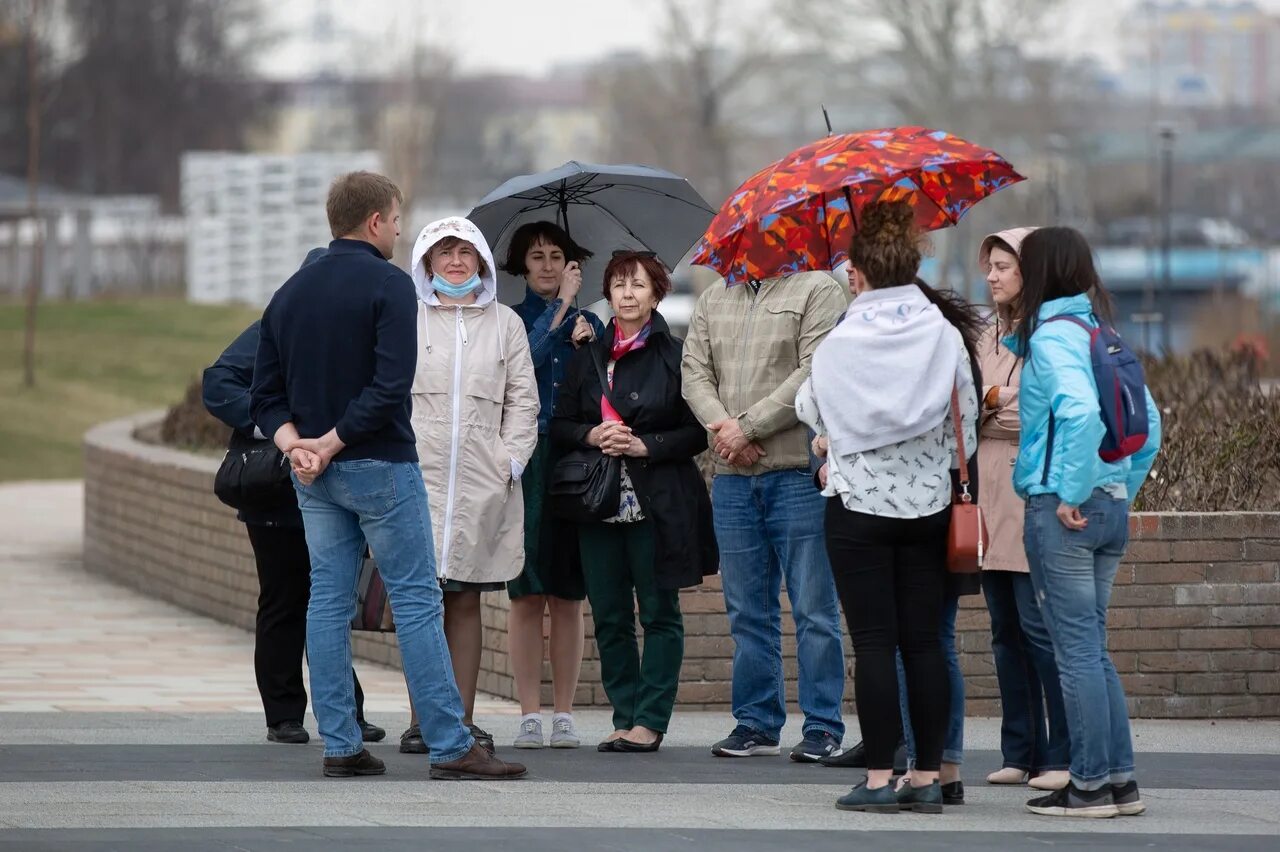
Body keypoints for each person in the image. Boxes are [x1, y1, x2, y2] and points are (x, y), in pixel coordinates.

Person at [249, 170, 525, 780]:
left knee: (325, 603)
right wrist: (332, 441)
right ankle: (453, 746)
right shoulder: (390, 285)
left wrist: (300, 446)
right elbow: (390, 386)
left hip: (313, 476)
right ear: (375, 222)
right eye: (397, 221)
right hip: (379, 467)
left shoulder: (290, 292)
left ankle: (341, 745)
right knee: (420, 603)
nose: (399, 231)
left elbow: (264, 393)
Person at [796, 200, 980, 814]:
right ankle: (927, 777)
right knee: (924, 643)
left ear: (859, 271)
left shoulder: (839, 343)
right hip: (929, 507)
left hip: (858, 509)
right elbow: (967, 431)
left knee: (874, 644)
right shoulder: (944, 334)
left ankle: (878, 778)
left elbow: (814, 412)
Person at [202, 251, 385, 748]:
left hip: (338, 485)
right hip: (276, 493)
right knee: (284, 599)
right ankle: (283, 713)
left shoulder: (365, 330)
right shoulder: (275, 324)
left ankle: (346, 711)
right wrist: (279, 428)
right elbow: (218, 382)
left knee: (333, 599)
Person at [1011, 227, 1161, 818]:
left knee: (1074, 652)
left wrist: (1072, 492)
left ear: (1041, 271)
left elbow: (1078, 416)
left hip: (1062, 510)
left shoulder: (1051, 338)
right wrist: (1119, 488)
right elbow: (1148, 423)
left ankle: (1090, 785)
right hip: (1111, 508)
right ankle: (1120, 782)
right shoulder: (1103, 331)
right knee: (1093, 649)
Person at [552, 250, 717, 752]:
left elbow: (698, 431)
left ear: (656, 294)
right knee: (608, 613)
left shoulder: (676, 353)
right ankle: (623, 715)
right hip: (596, 501)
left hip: (657, 501)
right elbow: (558, 425)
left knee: (659, 612)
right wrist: (592, 434)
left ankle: (650, 720)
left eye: (638, 286)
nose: (627, 294)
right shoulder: (589, 353)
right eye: (619, 285)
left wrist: (647, 444)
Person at [682, 263, 847, 763]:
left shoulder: (818, 289)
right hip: (732, 478)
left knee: (814, 609)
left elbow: (814, 370)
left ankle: (822, 725)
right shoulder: (715, 297)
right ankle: (755, 720)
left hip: (796, 471)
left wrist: (748, 428)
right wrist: (724, 429)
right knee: (747, 610)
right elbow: (695, 372)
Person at [395, 216, 538, 757]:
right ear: (428, 262)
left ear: (480, 261)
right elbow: (390, 391)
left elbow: (523, 401)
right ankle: (419, 720)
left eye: (465, 252)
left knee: (465, 599)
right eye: (444, 252)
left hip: (482, 481)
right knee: (417, 601)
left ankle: (463, 719)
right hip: (418, 477)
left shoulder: (505, 324)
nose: (455, 262)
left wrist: (510, 461)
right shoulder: (408, 320)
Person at [975, 228, 1072, 792]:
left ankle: (1060, 752)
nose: (992, 277)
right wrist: (992, 405)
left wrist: (994, 408)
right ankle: (1020, 749)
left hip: (1031, 492)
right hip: (987, 495)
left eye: (1004, 267)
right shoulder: (987, 334)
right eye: (989, 266)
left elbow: (1042, 413)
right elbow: (967, 404)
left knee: (1040, 630)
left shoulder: (1049, 334)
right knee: (1003, 630)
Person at [502, 221, 605, 749]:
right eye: (536, 256)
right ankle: (528, 712)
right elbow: (525, 362)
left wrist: (589, 339)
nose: (546, 265)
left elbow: (605, 389)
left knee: (568, 593)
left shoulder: (590, 323)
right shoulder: (508, 320)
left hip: (576, 460)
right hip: (525, 459)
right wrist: (563, 311)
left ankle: (564, 711)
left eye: (556, 255)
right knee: (525, 593)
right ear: (522, 266)